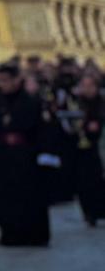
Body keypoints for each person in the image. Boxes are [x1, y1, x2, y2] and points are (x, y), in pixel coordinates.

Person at [0, 60, 54, 246]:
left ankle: (33, 235)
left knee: (29, 197)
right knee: (5, 197)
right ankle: (10, 233)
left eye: (6, 80)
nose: (2, 84)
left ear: (16, 80)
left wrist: (43, 153)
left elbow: (41, 130)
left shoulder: (31, 102)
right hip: (3, 155)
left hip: (25, 155)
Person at [67, 71, 105, 226]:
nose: (87, 89)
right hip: (80, 148)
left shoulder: (101, 103)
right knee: (83, 182)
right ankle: (89, 212)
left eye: (90, 85)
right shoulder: (76, 103)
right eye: (84, 85)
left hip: (98, 148)